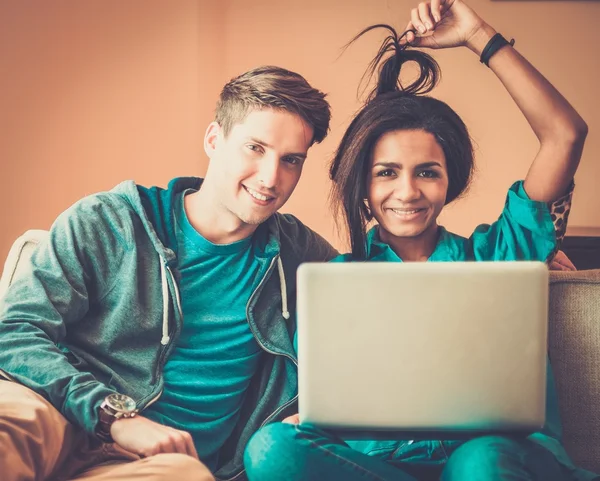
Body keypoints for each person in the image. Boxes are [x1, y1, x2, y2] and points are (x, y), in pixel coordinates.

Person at [243, 1, 596, 480]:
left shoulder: (500, 254)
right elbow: (329, 408)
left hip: (500, 464)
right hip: (384, 468)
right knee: (271, 448)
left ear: (450, 179)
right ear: (363, 188)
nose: (407, 192)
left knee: (478, 461)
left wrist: (478, 35)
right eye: (386, 173)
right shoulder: (334, 284)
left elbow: (565, 134)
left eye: (427, 172)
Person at [0, 65, 338, 481]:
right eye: (255, 148)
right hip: (57, 412)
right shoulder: (109, 221)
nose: (271, 177)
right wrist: (114, 416)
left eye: (291, 160)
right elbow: (14, 330)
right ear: (214, 139)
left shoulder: (300, 256)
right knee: (11, 418)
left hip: (153, 465)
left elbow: (390, 305)